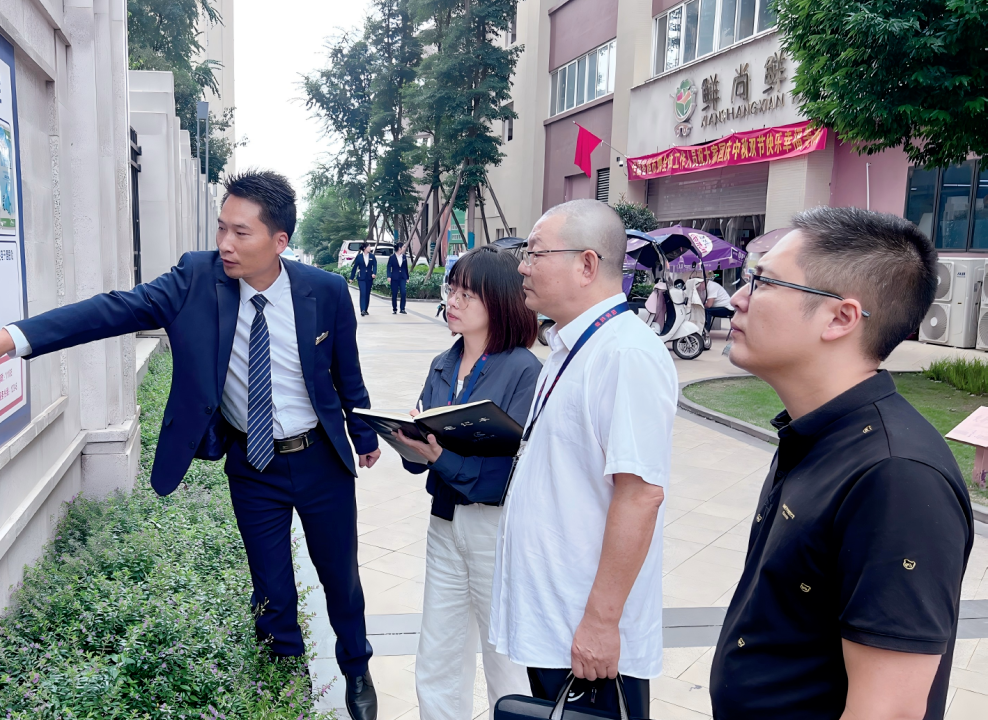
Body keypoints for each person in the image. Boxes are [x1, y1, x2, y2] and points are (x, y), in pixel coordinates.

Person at [0, 171, 384, 720]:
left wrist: (364, 434)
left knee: (339, 578)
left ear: (279, 241)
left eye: (241, 233)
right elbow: (111, 310)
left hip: (319, 459)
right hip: (253, 465)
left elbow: (346, 373)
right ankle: (287, 687)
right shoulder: (196, 279)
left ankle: (356, 667)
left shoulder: (324, 291)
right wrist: (10, 338)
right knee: (271, 590)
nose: (225, 243)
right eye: (221, 228)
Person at [709, 207, 972, 720]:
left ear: (840, 318)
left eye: (763, 282)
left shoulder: (895, 475)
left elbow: (888, 710)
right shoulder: (816, 432)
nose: (738, 298)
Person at [488, 199, 677, 719]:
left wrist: (600, 622)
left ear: (587, 264)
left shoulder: (625, 354)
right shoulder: (572, 346)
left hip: (586, 631)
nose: (523, 267)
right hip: (557, 616)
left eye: (535, 253)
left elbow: (640, 494)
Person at [392, 246, 541, 718]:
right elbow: (422, 461)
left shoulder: (524, 370)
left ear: (499, 302)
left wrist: (442, 456)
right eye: (451, 289)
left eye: (466, 294)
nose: (452, 301)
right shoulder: (442, 362)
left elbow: (509, 470)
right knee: (437, 655)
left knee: (505, 660)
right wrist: (409, 443)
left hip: (495, 529)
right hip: (444, 521)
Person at [350, 244, 378, 316]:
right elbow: (355, 267)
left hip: (369, 277)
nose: (370, 248)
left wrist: (374, 273)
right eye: (369, 247)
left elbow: (375, 265)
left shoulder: (372, 256)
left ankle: (365, 309)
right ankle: (362, 309)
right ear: (365, 248)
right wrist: (351, 277)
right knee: (363, 292)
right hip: (361, 277)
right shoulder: (359, 257)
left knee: (367, 293)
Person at [388, 243, 410, 314]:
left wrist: (407, 277)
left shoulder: (404, 257)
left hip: (402, 277)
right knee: (394, 293)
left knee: (403, 292)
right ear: (399, 248)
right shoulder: (392, 257)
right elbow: (389, 267)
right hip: (394, 277)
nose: (404, 248)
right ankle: (394, 309)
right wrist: (389, 276)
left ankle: (402, 308)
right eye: (403, 247)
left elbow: (406, 268)